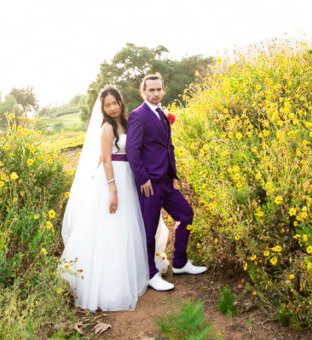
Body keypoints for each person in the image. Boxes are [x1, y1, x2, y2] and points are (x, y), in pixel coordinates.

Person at [59, 85, 166, 311]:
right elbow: (106, 160)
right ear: (103, 108)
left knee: (131, 225)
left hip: (129, 177)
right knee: (114, 227)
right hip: (114, 178)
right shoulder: (107, 127)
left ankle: (138, 271)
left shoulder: (126, 122)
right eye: (107, 105)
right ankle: (113, 284)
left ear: (120, 102)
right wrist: (113, 191)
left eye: (115, 103)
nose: (112, 108)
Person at [127, 73, 207, 292]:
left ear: (162, 90)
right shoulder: (138, 116)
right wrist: (142, 178)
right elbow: (133, 150)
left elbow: (167, 146)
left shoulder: (163, 114)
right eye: (151, 90)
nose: (155, 93)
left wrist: (173, 175)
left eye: (158, 89)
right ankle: (151, 274)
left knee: (186, 214)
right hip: (149, 183)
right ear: (143, 92)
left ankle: (180, 262)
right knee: (149, 229)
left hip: (166, 180)